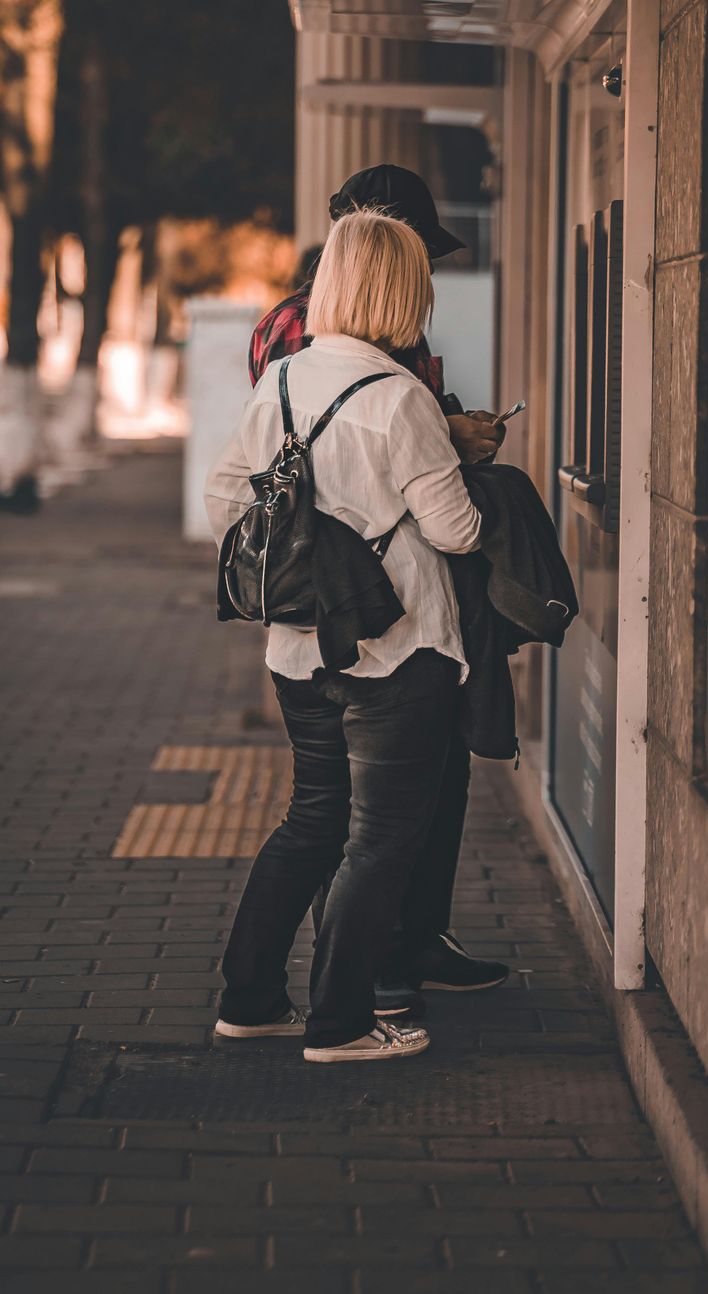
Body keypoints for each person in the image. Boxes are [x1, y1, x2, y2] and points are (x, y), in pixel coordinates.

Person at [205, 210, 486, 1061]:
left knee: (313, 822)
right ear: (406, 291)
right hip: (397, 649)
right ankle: (343, 1024)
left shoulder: (281, 381)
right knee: (381, 840)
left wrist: (308, 524)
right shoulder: (399, 397)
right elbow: (458, 531)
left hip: (297, 647)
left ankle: (251, 999)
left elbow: (225, 505)